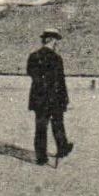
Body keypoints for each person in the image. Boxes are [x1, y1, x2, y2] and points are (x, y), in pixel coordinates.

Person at [26, 29, 73, 166]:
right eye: (56, 41)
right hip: (54, 98)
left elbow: (31, 74)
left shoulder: (33, 56)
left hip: (39, 98)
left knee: (40, 127)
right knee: (57, 124)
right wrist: (64, 100)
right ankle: (62, 149)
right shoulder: (56, 58)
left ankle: (41, 157)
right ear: (52, 40)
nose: (57, 44)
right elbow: (60, 81)